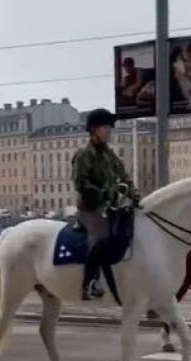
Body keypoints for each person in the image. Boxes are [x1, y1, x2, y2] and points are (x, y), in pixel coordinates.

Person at [73, 108, 139, 301]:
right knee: (101, 236)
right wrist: (106, 192)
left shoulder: (110, 155)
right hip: (90, 210)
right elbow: (81, 184)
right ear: (93, 129)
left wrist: (135, 195)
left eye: (110, 127)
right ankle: (90, 283)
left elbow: (124, 178)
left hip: (111, 208)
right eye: (105, 127)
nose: (109, 130)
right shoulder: (84, 155)